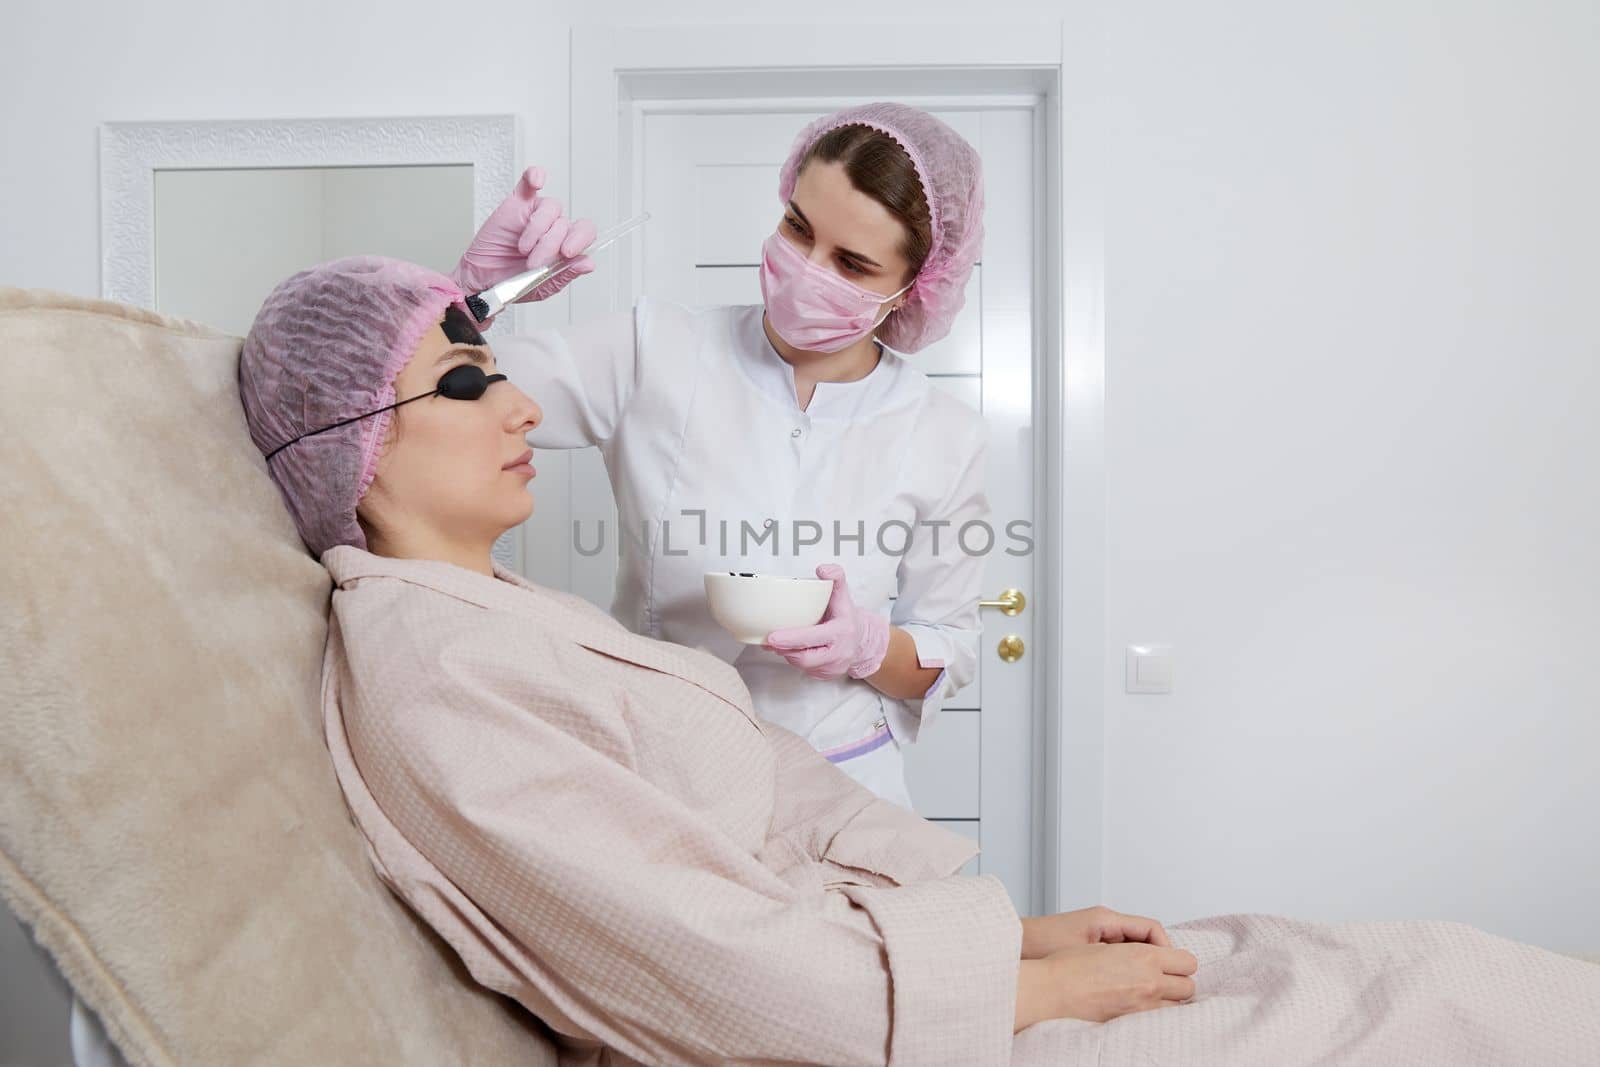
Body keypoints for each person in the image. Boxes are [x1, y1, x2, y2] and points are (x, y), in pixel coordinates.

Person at [236, 256, 1600, 1066]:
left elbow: (939, 651)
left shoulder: (514, 608)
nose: (521, 395)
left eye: (853, 256)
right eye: (472, 378)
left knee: (1362, 961)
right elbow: (700, 948)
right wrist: (1024, 984)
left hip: (869, 874)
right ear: (356, 447)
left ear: (913, 288)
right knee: (1409, 1007)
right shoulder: (437, 663)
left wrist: (887, 666)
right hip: (852, 1008)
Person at [448, 103, 990, 807]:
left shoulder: (944, 433)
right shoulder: (656, 349)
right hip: (663, 770)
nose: (807, 270)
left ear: (915, 287)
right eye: (797, 228)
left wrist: (867, 645)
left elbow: (952, 644)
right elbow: (453, 397)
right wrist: (465, 304)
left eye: (852, 263)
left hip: (844, 788)